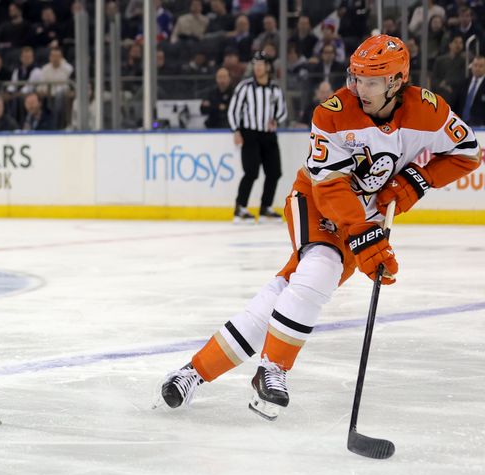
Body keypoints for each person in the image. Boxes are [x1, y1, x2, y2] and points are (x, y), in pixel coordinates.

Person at [155, 35, 480, 423]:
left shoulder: (428, 111)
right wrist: (363, 234)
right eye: (356, 78)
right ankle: (272, 369)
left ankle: (193, 373)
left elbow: (467, 152)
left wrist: (412, 184)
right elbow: (330, 187)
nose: (359, 88)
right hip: (314, 198)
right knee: (321, 264)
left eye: (371, 81)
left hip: (367, 213)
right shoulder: (333, 112)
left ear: (396, 82)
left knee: (292, 288)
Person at [227, 50, 287, 223]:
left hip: (268, 135)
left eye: (261, 65)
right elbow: (233, 110)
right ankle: (240, 207)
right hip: (250, 134)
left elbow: (282, 111)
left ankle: (265, 208)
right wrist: (236, 130)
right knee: (251, 171)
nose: (258, 68)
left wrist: (276, 120)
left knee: (275, 172)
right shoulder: (245, 87)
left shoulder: (275, 89)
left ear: (267, 67)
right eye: (255, 65)